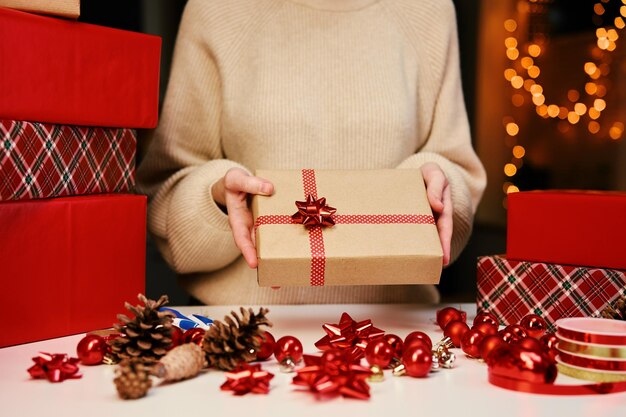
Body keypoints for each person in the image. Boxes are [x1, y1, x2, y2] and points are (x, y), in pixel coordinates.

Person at [137, 0, 487, 305]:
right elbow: (163, 192)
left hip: (398, 337)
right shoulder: (215, 10)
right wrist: (216, 198)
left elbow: (455, 172)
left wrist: (435, 191)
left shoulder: (430, 11)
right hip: (243, 334)